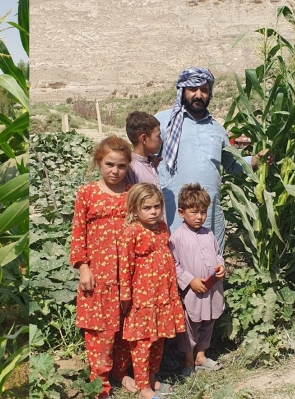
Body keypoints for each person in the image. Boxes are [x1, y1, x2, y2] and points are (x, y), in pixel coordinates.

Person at [156, 67, 272, 252]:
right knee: (174, 262)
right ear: (182, 90)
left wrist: (257, 160)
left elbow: (232, 164)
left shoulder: (217, 129)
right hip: (173, 212)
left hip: (207, 213)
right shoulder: (163, 122)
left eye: (204, 90)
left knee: (209, 262)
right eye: (193, 89)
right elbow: (145, 161)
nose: (199, 95)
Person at [69, 135, 136, 398]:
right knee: (101, 330)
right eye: (109, 164)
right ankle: (101, 384)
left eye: (121, 166)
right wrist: (84, 266)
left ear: (127, 166)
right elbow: (78, 231)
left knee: (124, 328)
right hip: (100, 273)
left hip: (127, 274)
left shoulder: (132, 193)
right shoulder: (87, 193)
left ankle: (120, 374)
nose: (115, 171)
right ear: (99, 162)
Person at [117, 183, 186, 399]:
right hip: (143, 299)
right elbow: (125, 267)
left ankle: (153, 378)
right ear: (134, 209)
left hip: (163, 296)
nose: (154, 211)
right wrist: (126, 297)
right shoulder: (131, 232)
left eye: (157, 206)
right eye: (147, 208)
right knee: (143, 343)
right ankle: (143, 387)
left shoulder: (163, 227)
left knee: (159, 340)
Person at [169, 183, 226, 374]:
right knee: (190, 325)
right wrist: (190, 280)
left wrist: (221, 266)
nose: (199, 217)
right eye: (194, 212)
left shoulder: (209, 234)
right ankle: (188, 360)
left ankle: (201, 356)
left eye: (203, 212)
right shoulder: (176, 238)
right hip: (192, 291)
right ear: (181, 212)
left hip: (211, 289)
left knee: (208, 321)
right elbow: (173, 265)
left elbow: (218, 254)